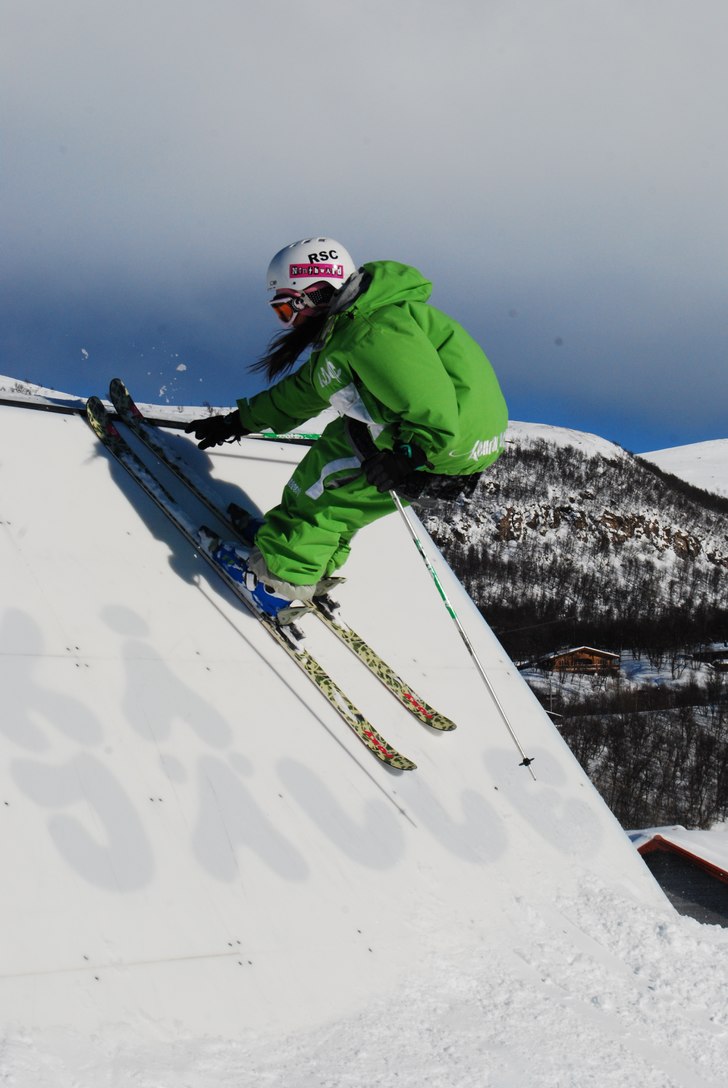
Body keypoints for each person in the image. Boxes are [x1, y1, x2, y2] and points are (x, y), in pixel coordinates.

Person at [185, 236, 508, 621]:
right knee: (339, 463)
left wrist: (408, 455)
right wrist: (239, 421)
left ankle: (277, 581)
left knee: (322, 490)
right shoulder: (352, 329)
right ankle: (304, 556)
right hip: (451, 443)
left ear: (315, 293)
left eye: (286, 308)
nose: (287, 322)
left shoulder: (372, 331)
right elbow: (305, 390)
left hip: (435, 442)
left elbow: (429, 400)